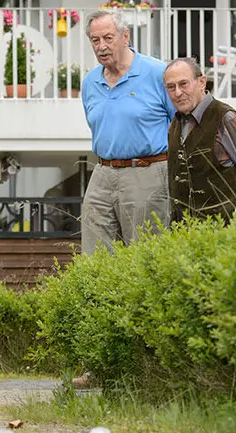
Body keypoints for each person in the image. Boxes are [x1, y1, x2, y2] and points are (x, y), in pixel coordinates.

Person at [81, 9, 175, 254]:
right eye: (95, 40)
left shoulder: (157, 73)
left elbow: (180, 124)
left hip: (147, 171)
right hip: (101, 173)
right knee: (95, 256)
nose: (101, 46)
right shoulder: (89, 82)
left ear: (125, 36)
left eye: (108, 38)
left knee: (146, 254)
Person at [164, 57, 236, 221]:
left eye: (184, 84)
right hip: (183, 233)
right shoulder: (175, 124)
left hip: (221, 233)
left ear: (202, 82)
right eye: (171, 87)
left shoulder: (225, 118)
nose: (177, 92)